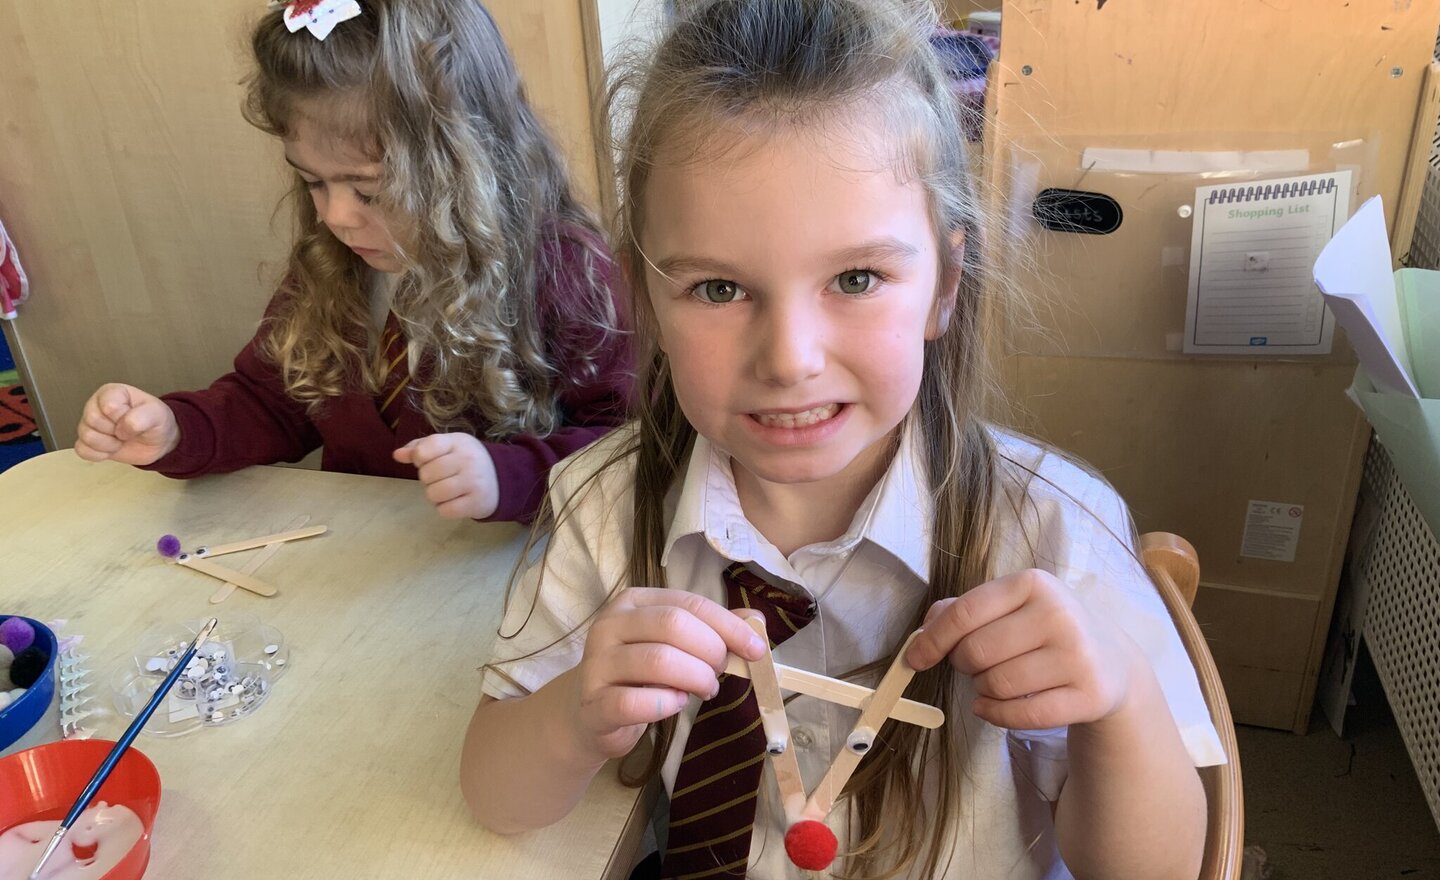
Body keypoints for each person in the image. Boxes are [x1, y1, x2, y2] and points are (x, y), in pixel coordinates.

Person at [462, 1, 1223, 877]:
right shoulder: (603, 511)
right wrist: (569, 719)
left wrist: (1119, 702)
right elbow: (495, 795)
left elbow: (1162, 870)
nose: (790, 359)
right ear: (644, 298)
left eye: (856, 277)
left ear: (944, 284)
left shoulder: (1056, 538)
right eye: (717, 289)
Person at [73, 0, 630, 523]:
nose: (337, 217)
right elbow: (272, 402)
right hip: (363, 571)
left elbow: (631, 447)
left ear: (470, 163)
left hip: (500, 583)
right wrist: (175, 429)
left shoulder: (566, 272)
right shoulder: (331, 266)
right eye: (313, 181)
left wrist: (510, 477)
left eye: (370, 190)